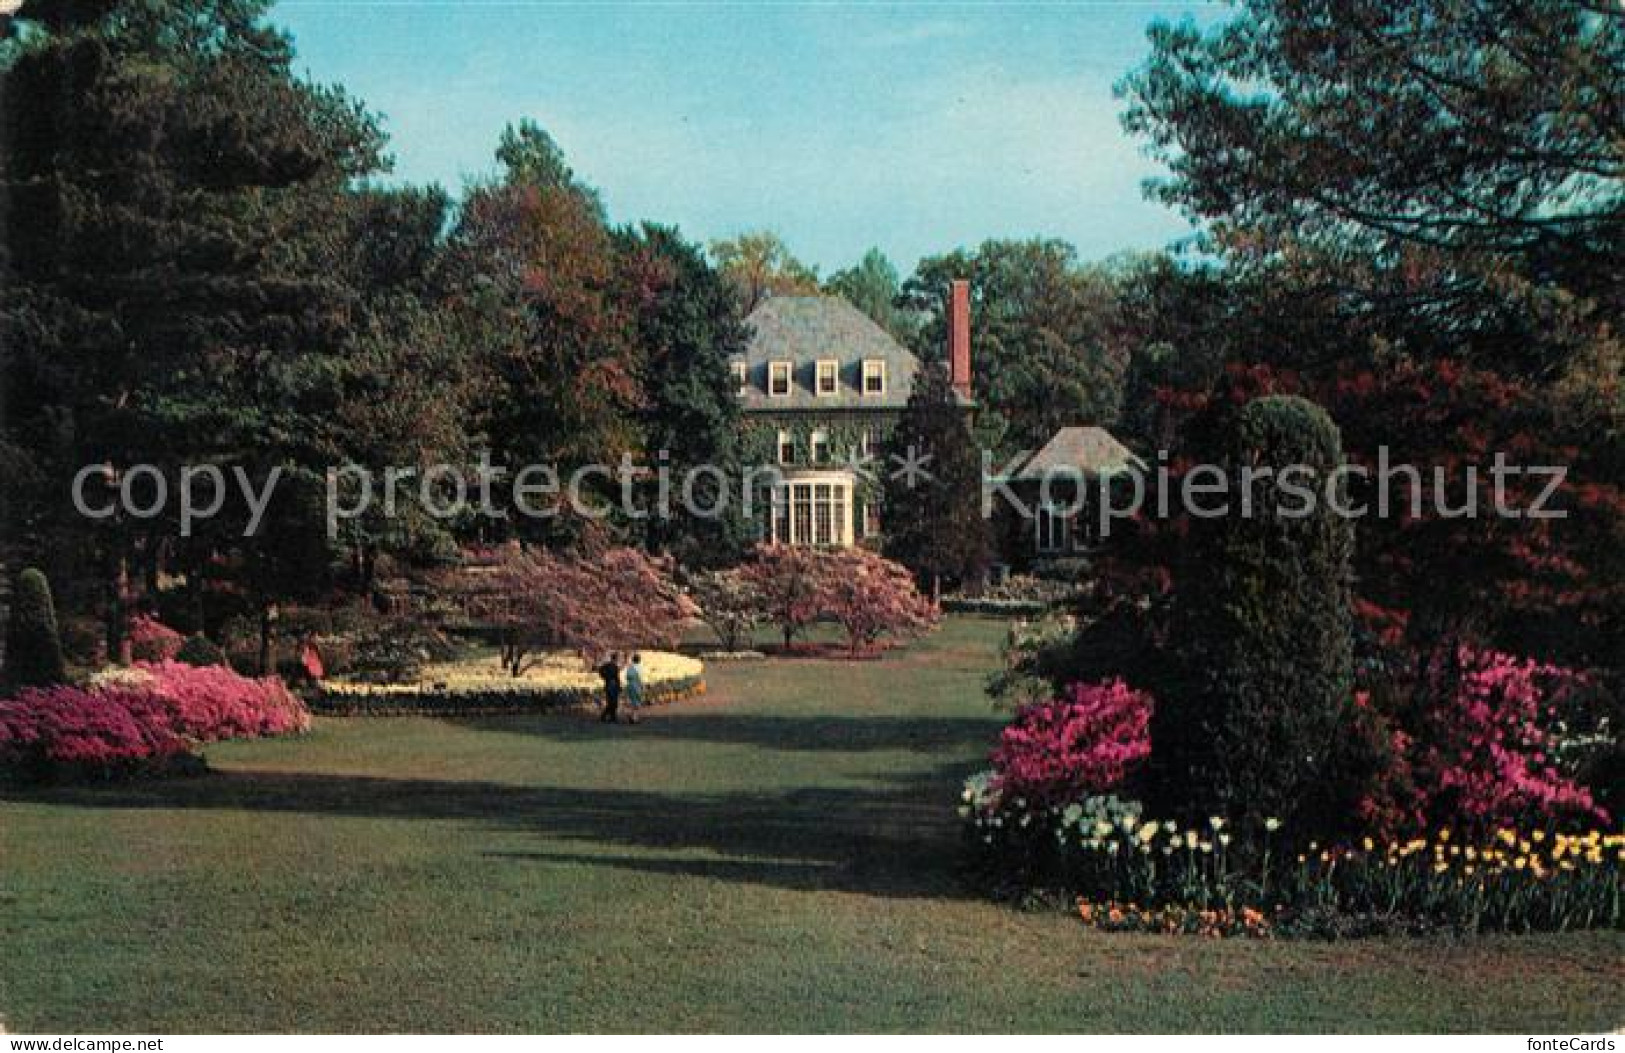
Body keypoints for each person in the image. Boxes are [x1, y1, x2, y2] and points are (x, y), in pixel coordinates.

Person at [597, 651, 622, 724]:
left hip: (609, 685)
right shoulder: (613, 666)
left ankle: (609, 717)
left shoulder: (607, 665)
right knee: (613, 702)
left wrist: (605, 678)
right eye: (617, 658)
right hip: (612, 686)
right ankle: (610, 717)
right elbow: (617, 678)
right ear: (616, 659)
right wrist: (606, 678)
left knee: (611, 702)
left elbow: (600, 670)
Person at [624, 653, 645, 724]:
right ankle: (634, 717)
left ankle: (632, 716)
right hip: (636, 685)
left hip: (629, 685)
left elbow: (626, 677)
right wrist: (643, 687)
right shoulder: (639, 668)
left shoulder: (630, 667)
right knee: (637, 701)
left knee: (632, 701)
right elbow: (641, 678)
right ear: (639, 660)